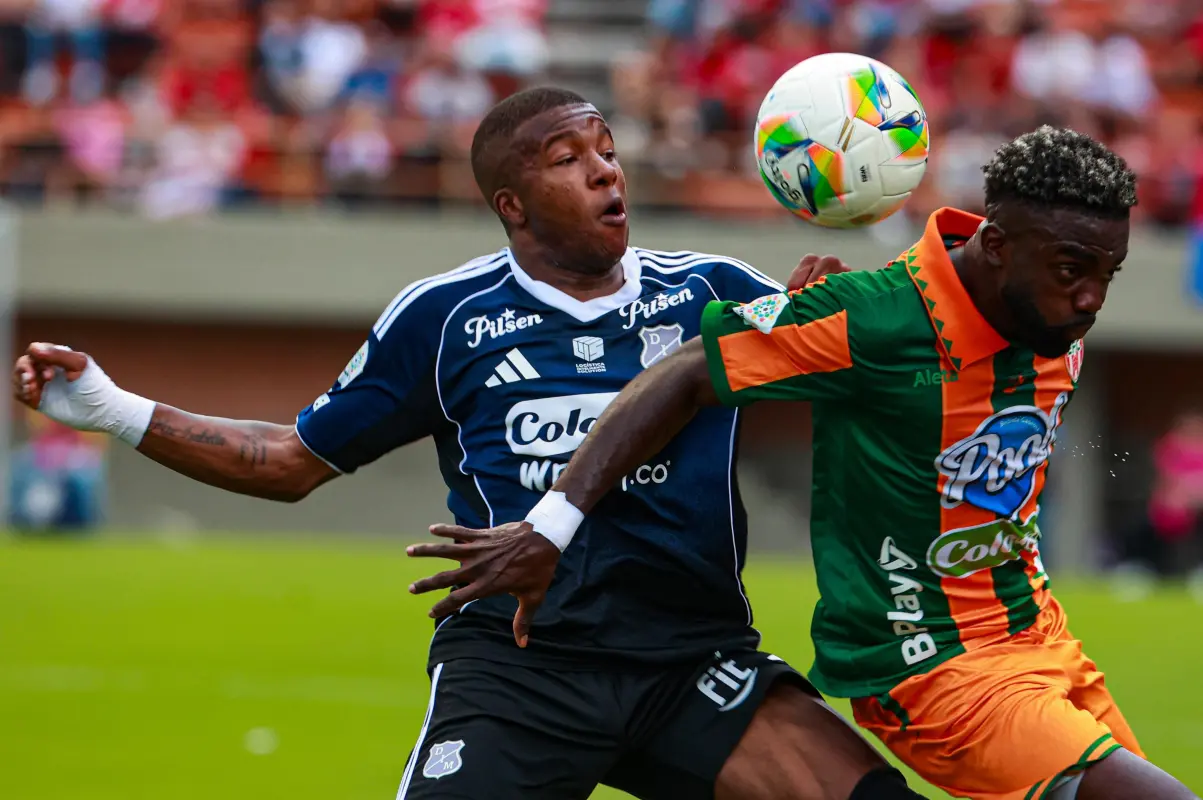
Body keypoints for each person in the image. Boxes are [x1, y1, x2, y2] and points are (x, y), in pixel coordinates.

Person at [11, 87, 928, 800]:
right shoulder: (444, 318)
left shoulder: (710, 289)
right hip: (521, 663)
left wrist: (824, 336)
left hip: (690, 657)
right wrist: (111, 406)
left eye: (608, 151)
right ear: (513, 203)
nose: (607, 172)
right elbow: (288, 462)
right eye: (570, 160)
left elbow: (857, 396)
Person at [407, 126, 1202, 800]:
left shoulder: (1047, 316)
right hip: (936, 671)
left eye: (1108, 275)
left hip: (1039, 640)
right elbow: (687, 371)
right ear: (996, 247)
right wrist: (552, 525)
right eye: (1073, 271)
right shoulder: (875, 319)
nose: (1093, 299)